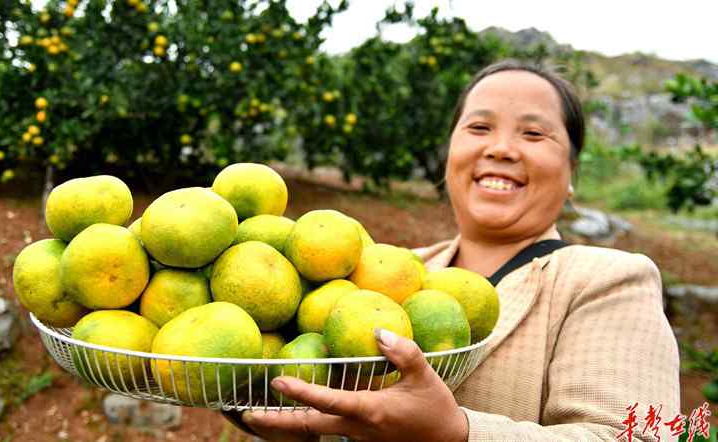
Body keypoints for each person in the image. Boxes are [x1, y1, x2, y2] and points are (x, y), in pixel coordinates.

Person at [236, 60, 681, 441]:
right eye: (479, 127)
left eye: (533, 133)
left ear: (571, 174)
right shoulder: (380, 271)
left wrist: (458, 432)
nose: (501, 148)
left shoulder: (609, 281)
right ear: (450, 153)